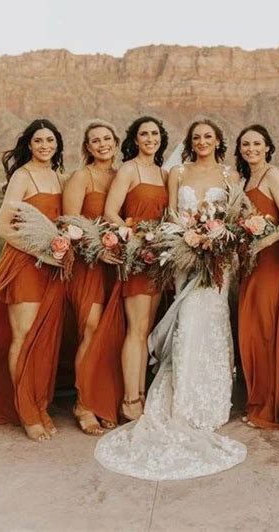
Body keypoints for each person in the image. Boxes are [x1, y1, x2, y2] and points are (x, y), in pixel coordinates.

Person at [95, 119, 247, 480]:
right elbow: (170, 214)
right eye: (196, 137)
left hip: (218, 258)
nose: (202, 141)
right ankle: (180, 398)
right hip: (183, 255)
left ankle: (210, 399)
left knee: (213, 320)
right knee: (188, 319)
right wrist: (188, 238)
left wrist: (220, 239)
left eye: (209, 136)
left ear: (218, 140)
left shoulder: (230, 175)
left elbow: (239, 215)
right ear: (189, 142)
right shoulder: (176, 171)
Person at [0, 119, 66, 442]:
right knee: (23, 337)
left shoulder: (57, 176)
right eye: (38, 141)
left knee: (44, 338)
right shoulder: (22, 177)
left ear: (57, 144)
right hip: (25, 265)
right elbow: (2, 227)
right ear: (29, 144)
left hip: (52, 268)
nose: (44, 146)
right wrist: (42, 251)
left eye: (49, 140)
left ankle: (40, 403)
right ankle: (27, 411)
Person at [104, 116, 169, 422]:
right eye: (144, 133)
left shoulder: (162, 172)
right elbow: (110, 212)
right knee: (136, 329)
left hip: (159, 259)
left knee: (146, 330)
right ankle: (129, 400)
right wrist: (136, 237)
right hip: (137, 257)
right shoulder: (129, 169)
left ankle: (141, 393)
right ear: (135, 138)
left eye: (155, 133)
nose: (150, 138)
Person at [63, 120, 122, 435]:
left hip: (119, 265)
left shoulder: (122, 176)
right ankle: (83, 403)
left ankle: (105, 399)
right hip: (89, 265)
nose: (102, 145)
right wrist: (96, 249)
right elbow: (69, 224)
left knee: (113, 333)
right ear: (87, 147)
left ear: (116, 142)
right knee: (92, 329)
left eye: (107, 139)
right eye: (95, 141)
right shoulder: (80, 177)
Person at [235, 125, 279, 429]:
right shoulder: (246, 178)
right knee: (251, 330)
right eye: (245, 144)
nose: (251, 148)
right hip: (249, 262)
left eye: (257, 143)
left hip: (270, 262)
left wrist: (266, 243)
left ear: (268, 147)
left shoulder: (272, 175)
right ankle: (258, 399)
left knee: (266, 331)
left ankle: (271, 407)